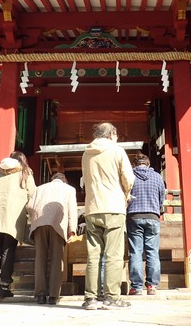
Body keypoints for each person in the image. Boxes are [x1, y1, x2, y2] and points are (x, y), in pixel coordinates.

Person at [81, 122, 135, 310]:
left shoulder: (86, 153)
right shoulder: (117, 150)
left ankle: (90, 298)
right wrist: (126, 194)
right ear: (112, 134)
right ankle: (112, 298)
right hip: (113, 206)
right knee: (113, 254)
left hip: (92, 206)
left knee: (93, 255)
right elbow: (128, 178)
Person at [0, 150, 36, 300]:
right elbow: (32, 195)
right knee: (8, 250)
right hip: (13, 217)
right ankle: (4, 286)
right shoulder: (25, 173)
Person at [26, 172, 78, 306]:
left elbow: (29, 206)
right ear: (64, 181)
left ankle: (41, 295)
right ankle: (53, 296)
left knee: (40, 259)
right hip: (58, 225)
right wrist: (72, 230)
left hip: (39, 224)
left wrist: (35, 218)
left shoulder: (39, 188)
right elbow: (73, 210)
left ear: (52, 180)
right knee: (57, 259)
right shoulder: (69, 189)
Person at [126, 152, 166, 295]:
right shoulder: (157, 177)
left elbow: (125, 196)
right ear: (148, 164)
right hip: (152, 216)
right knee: (152, 251)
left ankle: (136, 287)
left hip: (134, 216)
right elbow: (162, 198)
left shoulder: (129, 176)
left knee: (136, 252)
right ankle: (152, 286)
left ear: (134, 164)